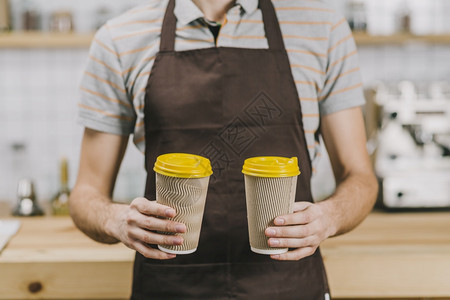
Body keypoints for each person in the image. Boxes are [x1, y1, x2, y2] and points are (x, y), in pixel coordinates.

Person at [69, 0, 378, 299]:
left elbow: (360, 177)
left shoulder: (323, 30)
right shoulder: (119, 39)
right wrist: (117, 220)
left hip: (287, 287)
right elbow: (86, 193)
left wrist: (329, 216)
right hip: (171, 288)